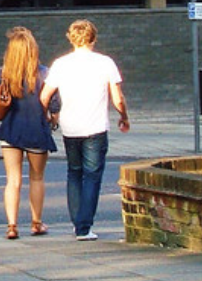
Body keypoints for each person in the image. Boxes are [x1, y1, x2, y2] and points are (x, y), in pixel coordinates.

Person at [39, 19, 130, 241]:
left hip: (70, 128)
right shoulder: (105, 62)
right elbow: (117, 98)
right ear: (93, 38)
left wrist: (49, 116)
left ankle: (77, 222)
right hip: (96, 127)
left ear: (71, 38)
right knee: (92, 176)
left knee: (74, 173)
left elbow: (44, 96)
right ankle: (84, 227)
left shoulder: (61, 64)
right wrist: (124, 117)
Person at [0, 26, 60, 240]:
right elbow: (55, 103)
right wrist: (54, 118)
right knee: (37, 178)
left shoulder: (3, 73)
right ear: (33, 49)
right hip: (36, 130)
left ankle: (12, 226)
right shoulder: (44, 73)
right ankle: (36, 223)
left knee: (13, 180)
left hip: (10, 130)